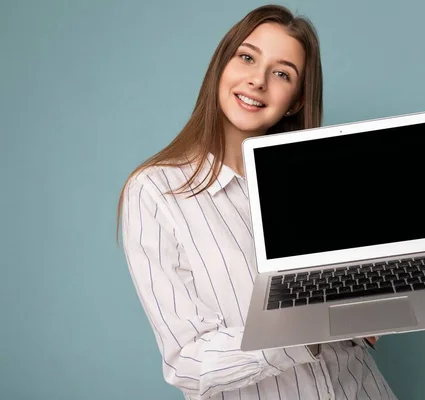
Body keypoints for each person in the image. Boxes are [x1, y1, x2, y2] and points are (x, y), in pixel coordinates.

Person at [117, 4, 398, 400]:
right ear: (222, 66)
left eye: (282, 73)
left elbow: (358, 315)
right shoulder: (155, 191)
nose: (258, 81)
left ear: (297, 100)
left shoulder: (320, 182)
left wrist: (376, 306)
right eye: (247, 57)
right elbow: (189, 363)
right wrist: (307, 333)